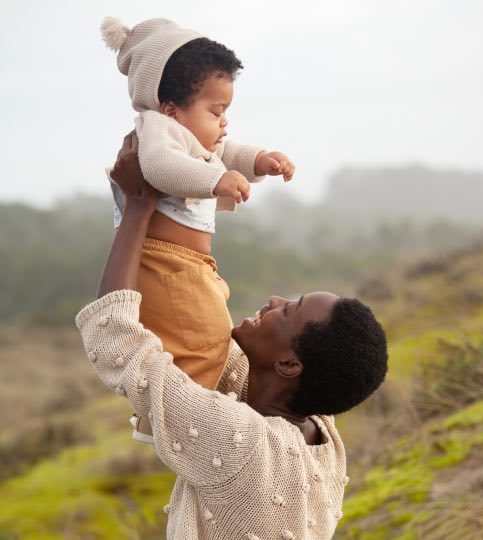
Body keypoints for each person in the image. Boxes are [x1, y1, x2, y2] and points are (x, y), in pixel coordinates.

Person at [76, 133, 388, 539]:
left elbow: (117, 339)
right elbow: (209, 340)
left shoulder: (242, 441)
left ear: (290, 364)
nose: (275, 300)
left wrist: (137, 209)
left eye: (289, 310)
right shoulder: (322, 435)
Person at [100, 17, 295, 440]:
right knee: (203, 338)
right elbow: (159, 167)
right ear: (171, 107)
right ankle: (184, 421)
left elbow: (229, 150)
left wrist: (260, 160)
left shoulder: (189, 135)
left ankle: (192, 412)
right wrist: (215, 180)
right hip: (166, 263)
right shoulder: (157, 131)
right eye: (216, 111)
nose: (224, 123)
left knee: (206, 336)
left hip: (190, 266)